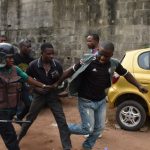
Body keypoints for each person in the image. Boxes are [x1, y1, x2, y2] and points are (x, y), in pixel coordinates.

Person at [57, 41, 148, 150]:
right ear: (98, 49)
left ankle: (87, 146)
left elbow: (126, 74)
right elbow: (70, 71)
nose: (103, 58)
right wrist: (56, 83)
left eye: (107, 56)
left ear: (111, 55)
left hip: (100, 101)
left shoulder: (113, 63)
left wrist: (138, 85)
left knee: (99, 129)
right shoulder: (87, 60)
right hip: (86, 101)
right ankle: (66, 128)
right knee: (87, 129)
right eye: (101, 54)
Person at [17, 43, 72, 150]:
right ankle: (17, 140)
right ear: (42, 53)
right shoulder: (33, 65)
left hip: (53, 97)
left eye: (53, 53)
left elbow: (61, 79)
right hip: (39, 96)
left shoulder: (57, 65)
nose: (51, 56)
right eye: (48, 54)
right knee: (29, 119)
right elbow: (28, 80)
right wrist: (36, 89)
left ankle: (67, 147)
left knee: (61, 120)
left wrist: (58, 88)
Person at [0, 42, 53, 150]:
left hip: (11, 109)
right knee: (11, 138)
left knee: (8, 132)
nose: (12, 60)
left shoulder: (15, 69)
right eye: (8, 58)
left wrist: (43, 85)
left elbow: (28, 79)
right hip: (1, 111)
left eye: (12, 57)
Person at [13, 39, 34, 122]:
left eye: (30, 47)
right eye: (28, 47)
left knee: (30, 104)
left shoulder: (31, 60)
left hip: (24, 85)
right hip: (12, 86)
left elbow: (32, 74)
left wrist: (32, 85)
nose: (30, 49)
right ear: (21, 47)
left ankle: (19, 118)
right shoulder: (14, 58)